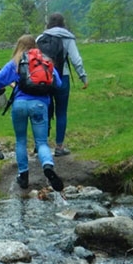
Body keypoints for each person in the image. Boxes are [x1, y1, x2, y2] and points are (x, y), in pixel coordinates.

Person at [0, 34, 64, 192]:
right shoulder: (45, 61)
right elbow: (58, 84)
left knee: (21, 141)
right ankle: (47, 166)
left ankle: (23, 176)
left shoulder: (15, 62)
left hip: (19, 105)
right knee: (41, 142)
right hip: (39, 105)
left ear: (19, 46)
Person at [36, 12, 88, 156]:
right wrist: (83, 77)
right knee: (61, 112)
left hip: (44, 79)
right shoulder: (67, 37)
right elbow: (76, 59)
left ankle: (40, 144)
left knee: (44, 110)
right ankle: (59, 147)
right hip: (62, 77)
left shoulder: (41, 38)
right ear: (63, 23)